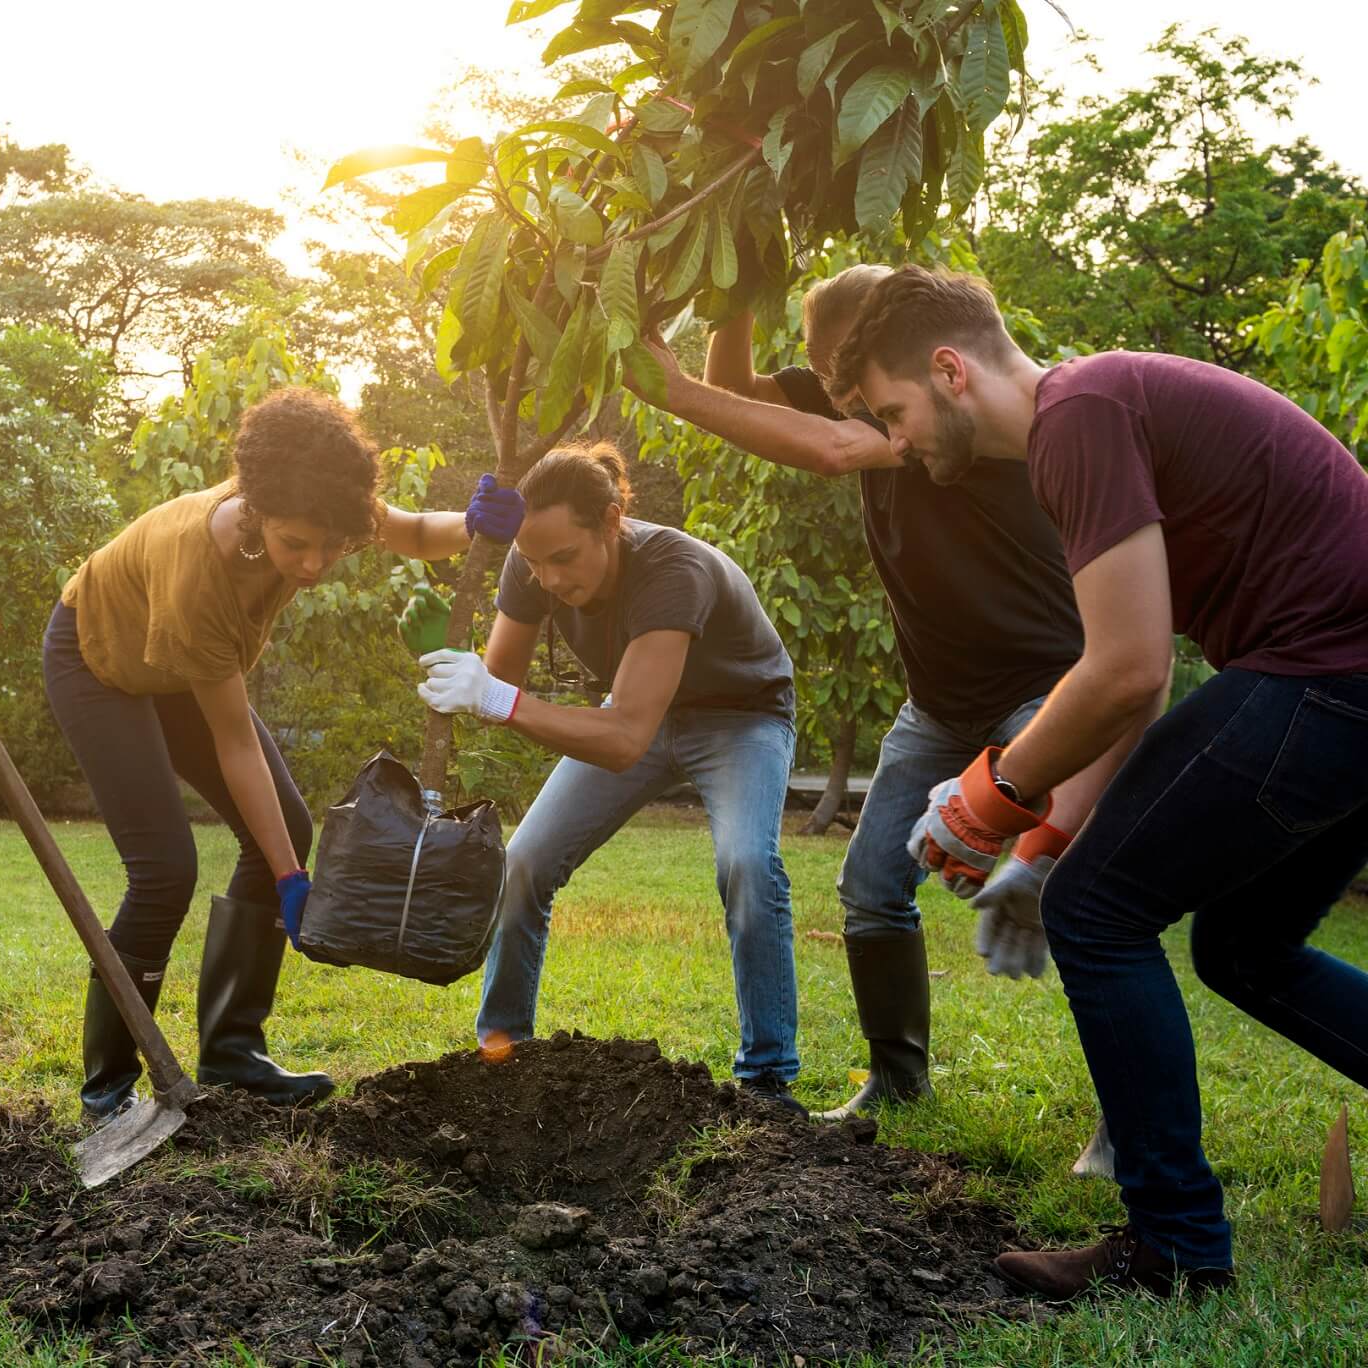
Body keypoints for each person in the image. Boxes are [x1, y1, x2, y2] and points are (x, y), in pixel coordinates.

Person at [832, 264, 1368, 1299]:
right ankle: (1173, 1235)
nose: (892, 444)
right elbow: (1134, 677)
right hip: (1343, 677)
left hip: (1329, 670)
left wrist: (991, 796)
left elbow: (1128, 670)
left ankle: (1172, 1248)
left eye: (892, 414)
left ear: (949, 371)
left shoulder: (1075, 421)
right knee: (1243, 948)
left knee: (1102, 916)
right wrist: (1042, 845)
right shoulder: (1095, 411)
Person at [629, 270, 1121, 1173]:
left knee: (1078, 893)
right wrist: (738, 274)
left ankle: (1125, 1119)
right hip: (938, 702)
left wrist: (669, 392)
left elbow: (821, 448)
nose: (856, 385)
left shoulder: (934, 413)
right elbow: (740, 390)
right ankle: (898, 1080)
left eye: (867, 365)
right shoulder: (854, 394)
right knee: (870, 885)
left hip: (1045, 686)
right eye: (837, 369)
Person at [47, 388, 525, 1120]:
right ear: (256, 509)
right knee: (165, 870)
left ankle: (232, 1052)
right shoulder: (196, 568)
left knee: (285, 826)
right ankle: (108, 1088)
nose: (313, 565)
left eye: (332, 547)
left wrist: (475, 521)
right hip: (99, 661)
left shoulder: (331, 508)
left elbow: (418, 533)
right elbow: (235, 745)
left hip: (176, 666)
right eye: (296, 544)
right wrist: (289, 879)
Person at [418, 444, 807, 1113]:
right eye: (533, 561)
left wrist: (497, 699)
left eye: (563, 557)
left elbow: (624, 738)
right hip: (635, 711)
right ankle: (501, 1051)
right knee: (524, 863)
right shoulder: (531, 562)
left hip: (739, 716)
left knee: (747, 863)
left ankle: (768, 1080)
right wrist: (453, 672)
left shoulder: (673, 569)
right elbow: (498, 683)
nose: (547, 577)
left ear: (611, 521)